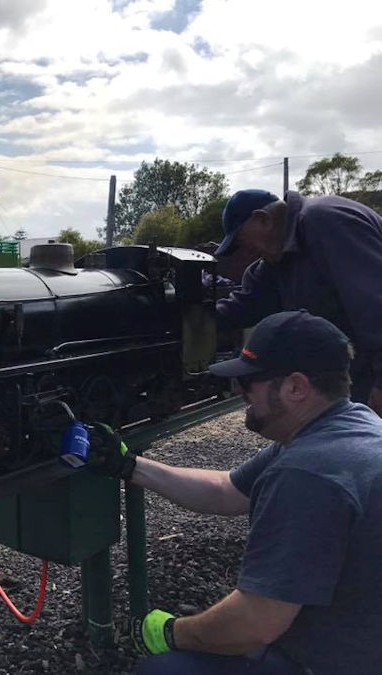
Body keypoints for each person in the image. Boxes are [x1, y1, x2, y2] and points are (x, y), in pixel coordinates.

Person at [83, 310, 382, 674]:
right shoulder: (349, 426)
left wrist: (170, 631)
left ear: (296, 387)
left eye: (249, 381)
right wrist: (129, 466)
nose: (238, 391)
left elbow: (254, 624)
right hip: (357, 633)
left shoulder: (307, 472)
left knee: (162, 669)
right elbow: (227, 491)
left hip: (334, 662)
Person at [213, 188, 382, 415]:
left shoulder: (326, 222)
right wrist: (186, 318)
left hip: (370, 377)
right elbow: (247, 305)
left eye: (243, 242)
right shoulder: (280, 256)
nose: (247, 252)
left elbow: (374, 305)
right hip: (349, 380)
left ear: (262, 219)